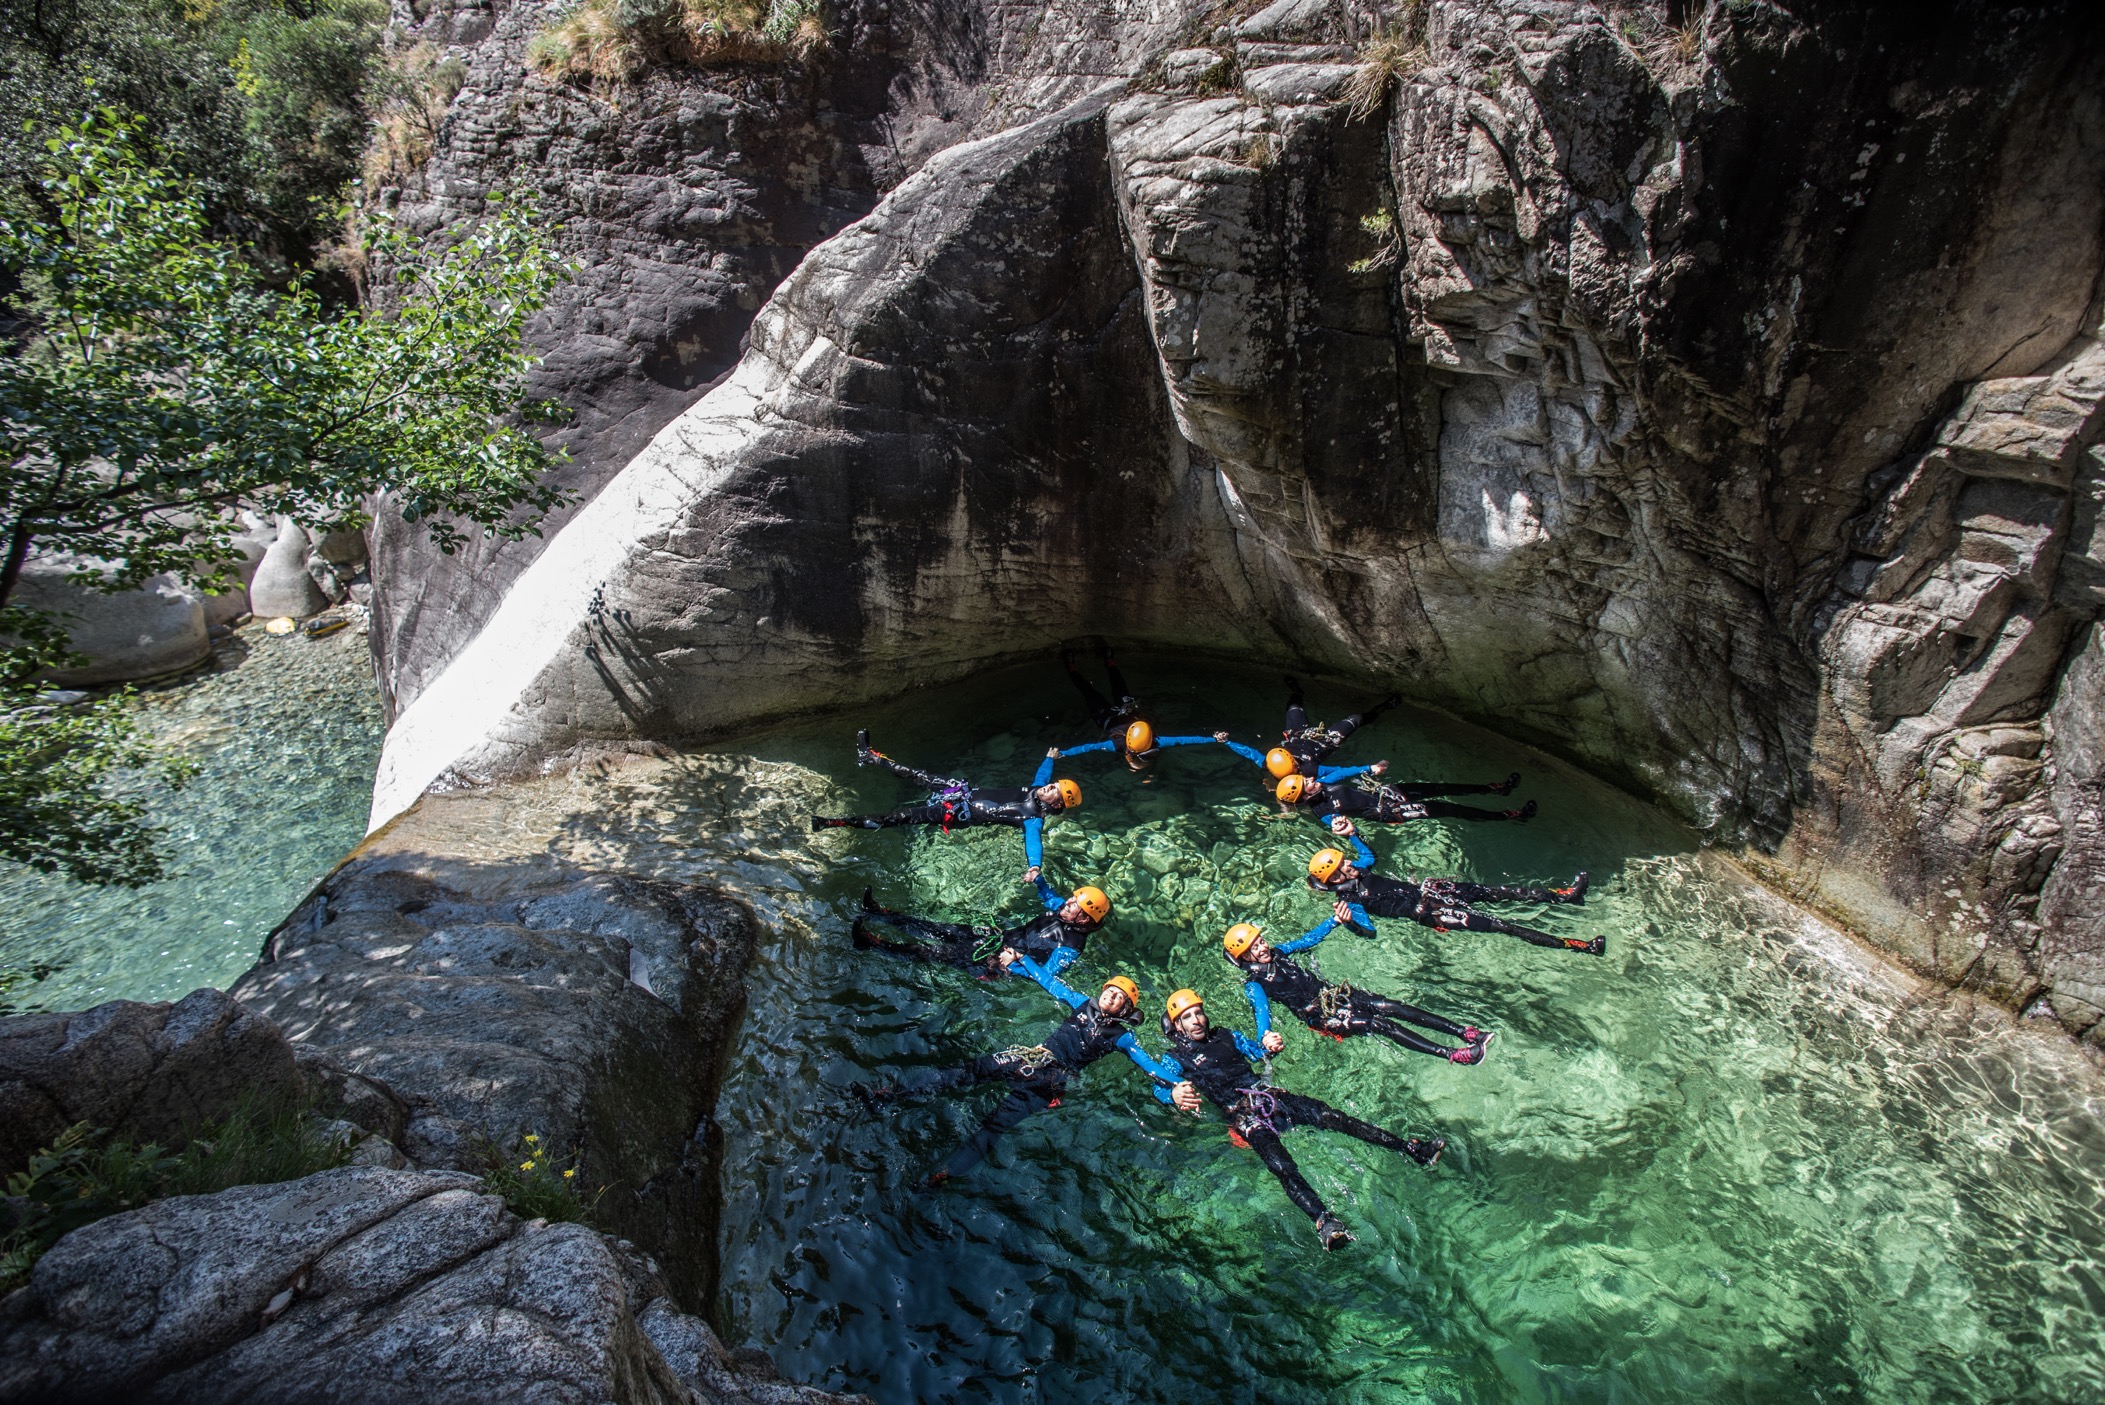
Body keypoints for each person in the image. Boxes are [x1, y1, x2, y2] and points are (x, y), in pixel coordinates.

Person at [1155, 988, 1444, 1250]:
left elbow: (1256, 1053)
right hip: (1242, 1115)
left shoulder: (1226, 1035)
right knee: (1280, 1164)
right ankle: (1324, 1222)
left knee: (1335, 1117)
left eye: (1198, 1013)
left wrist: (1268, 1044)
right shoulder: (1175, 1059)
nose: (1196, 1021)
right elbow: (1159, 1086)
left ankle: (1412, 1149)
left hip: (1269, 1095)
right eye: (1187, 1017)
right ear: (1177, 1026)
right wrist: (1173, 1095)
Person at [856, 969, 1180, 1192]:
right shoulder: (1082, 1004)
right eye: (1109, 991)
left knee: (992, 1127)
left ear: (1127, 1008)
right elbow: (1049, 982)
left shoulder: (1122, 1038)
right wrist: (1019, 960)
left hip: (1050, 1082)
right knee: (961, 1073)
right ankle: (888, 1094)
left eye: (1119, 996)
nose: (1111, 996)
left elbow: (1148, 1064)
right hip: (1028, 1058)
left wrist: (1174, 1085)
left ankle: (941, 1177)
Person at [1223, 912, 1493, 1064]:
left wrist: (1333, 920)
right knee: (1379, 1024)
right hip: (1323, 1017)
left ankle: (1466, 1032)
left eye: (1261, 940)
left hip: (1334, 995)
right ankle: (1453, 1055)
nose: (1264, 946)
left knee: (1392, 1007)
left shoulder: (1279, 952)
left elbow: (1307, 940)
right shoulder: (1255, 985)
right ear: (1245, 957)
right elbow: (1262, 1015)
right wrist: (1266, 1038)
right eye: (1255, 946)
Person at [1306, 819, 1602, 956]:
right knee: (1502, 926)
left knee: (1495, 891)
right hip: (1430, 913)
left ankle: (1564, 898)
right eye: (1343, 865)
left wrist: (1354, 834)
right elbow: (1370, 933)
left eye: (1346, 859)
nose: (1350, 864)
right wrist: (1350, 925)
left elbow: (1371, 857)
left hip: (1433, 891)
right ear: (1333, 879)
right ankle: (1576, 945)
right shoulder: (1352, 900)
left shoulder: (1358, 870)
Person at [813, 731, 1080, 867]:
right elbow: (1042, 775)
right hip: (959, 792)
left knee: (898, 818)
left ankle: (833, 823)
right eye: (1053, 785)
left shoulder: (1032, 819)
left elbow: (1033, 844)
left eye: (1054, 789)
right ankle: (869, 756)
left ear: (1057, 804)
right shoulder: (1035, 789)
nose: (1048, 787)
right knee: (917, 774)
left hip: (954, 813)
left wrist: (1034, 867)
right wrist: (1049, 758)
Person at [852, 869, 1109, 977]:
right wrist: (1038, 879)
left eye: (1075, 904)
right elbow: (1049, 896)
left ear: (1085, 917)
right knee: (939, 929)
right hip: (997, 936)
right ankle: (879, 913)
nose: (1067, 902)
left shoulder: (1072, 947)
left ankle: (873, 944)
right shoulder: (1061, 910)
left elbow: (1049, 975)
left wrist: (1017, 962)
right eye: (1072, 899)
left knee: (933, 952)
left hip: (996, 961)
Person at [1058, 646, 1219, 772]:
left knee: (1090, 693)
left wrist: (1063, 754)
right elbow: (1184, 740)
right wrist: (1214, 738)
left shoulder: (1116, 745)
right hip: (1125, 710)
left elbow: (1086, 748)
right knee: (1118, 686)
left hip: (1107, 717)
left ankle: (1071, 669)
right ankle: (1110, 662)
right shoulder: (1155, 741)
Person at [1274, 771, 1534, 825]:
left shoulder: (1322, 787)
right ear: (1303, 795)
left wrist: (1367, 768)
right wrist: (1343, 829)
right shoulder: (1321, 808)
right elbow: (1332, 822)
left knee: (1436, 787)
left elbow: (1342, 770)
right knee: (1443, 808)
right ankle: (1508, 816)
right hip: (1388, 811)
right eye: (1305, 783)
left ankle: (1491, 787)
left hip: (1383, 794)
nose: (1309, 779)